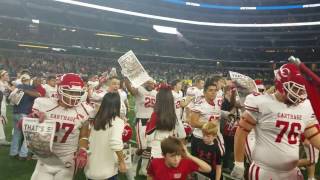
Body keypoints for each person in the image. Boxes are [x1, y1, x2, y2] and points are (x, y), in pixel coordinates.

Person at [231, 63, 320, 180]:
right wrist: (239, 164)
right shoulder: (262, 102)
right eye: (295, 88)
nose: (300, 93)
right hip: (265, 171)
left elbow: (314, 135)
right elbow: (241, 132)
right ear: (281, 84)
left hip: (292, 172)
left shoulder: (305, 106)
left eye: (302, 89)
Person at [30, 73, 95, 180]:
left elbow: (84, 134)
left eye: (77, 93)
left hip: (68, 157)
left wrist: (82, 149)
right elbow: (24, 126)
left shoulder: (85, 110)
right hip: (46, 156)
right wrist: (32, 117)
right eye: (70, 92)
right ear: (60, 90)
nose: (74, 96)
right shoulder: (45, 104)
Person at [85, 92, 127, 180]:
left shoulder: (97, 120)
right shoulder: (117, 121)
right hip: (107, 171)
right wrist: (122, 161)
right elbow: (115, 142)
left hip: (92, 168)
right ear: (117, 105)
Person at [125, 79, 157, 175]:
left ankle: (143, 168)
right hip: (141, 121)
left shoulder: (155, 93)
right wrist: (127, 79)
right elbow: (131, 90)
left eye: (152, 83)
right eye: (149, 82)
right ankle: (134, 165)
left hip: (152, 122)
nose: (151, 84)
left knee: (149, 147)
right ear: (145, 82)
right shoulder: (140, 89)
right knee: (142, 147)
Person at [146, 83, 185, 158]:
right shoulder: (173, 114)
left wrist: (149, 123)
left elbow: (149, 136)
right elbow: (179, 134)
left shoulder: (155, 115)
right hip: (170, 146)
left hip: (157, 146)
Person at [189, 78, 225, 157]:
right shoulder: (200, 104)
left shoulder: (218, 101)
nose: (213, 93)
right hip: (200, 138)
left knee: (213, 162)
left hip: (212, 137)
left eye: (215, 90)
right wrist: (209, 124)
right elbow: (193, 123)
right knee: (198, 165)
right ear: (204, 92)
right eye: (210, 90)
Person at [147, 136, 211, 180]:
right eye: (172, 156)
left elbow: (208, 169)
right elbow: (150, 175)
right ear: (163, 155)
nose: (176, 159)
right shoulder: (155, 162)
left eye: (178, 155)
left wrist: (189, 155)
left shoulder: (185, 163)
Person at [9, 74, 41, 160]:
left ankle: (13, 152)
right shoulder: (30, 88)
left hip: (15, 113)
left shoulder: (18, 86)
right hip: (24, 114)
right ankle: (22, 154)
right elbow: (38, 95)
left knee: (16, 134)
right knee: (28, 135)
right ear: (29, 80)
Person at [0, 70, 12, 145]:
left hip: (3, 103)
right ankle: (2, 139)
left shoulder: (5, 83)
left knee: (3, 120)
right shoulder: (1, 84)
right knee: (1, 120)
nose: (8, 76)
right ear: (2, 76)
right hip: (0, 103)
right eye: (6, 75)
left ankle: (2, 138)